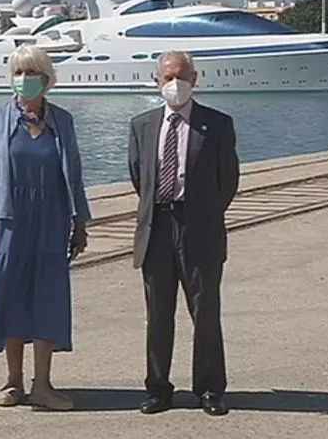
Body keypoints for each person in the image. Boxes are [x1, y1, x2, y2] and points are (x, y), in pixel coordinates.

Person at [0, 44, 92, 411]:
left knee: (47, 299)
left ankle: (43, 384)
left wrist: (80, 221)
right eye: (18, 72)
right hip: (8, 221)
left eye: (31, 73)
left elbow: (74, 175)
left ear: (47, 79)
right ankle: (13, 380)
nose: (24, 79)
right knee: (11, 297)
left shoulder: (62, 121)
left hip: (51, 220)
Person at [127, 50, 240, 417]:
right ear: (156, 81)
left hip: (200, 227)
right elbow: (138, 176)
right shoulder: (142, 125)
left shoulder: (217, 124)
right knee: (158, 315)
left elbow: (228, 180)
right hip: (157, 227)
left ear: (195, 79)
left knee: (205, 313)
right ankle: (158, 389)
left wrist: (203, 212)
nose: (174, 84)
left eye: (181, 76)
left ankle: (209, 389)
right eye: (168, 77)